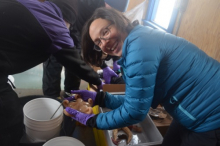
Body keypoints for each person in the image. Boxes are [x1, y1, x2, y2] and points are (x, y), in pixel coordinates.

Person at [64, 7, 220, 146]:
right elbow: (137, 100)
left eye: (105, 32)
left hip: (212, 116)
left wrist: (93, 120)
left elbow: (135, 111)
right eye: (98, 43)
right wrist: (101, 98)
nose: (104, 44)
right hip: (190, 113)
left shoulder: (139, 44)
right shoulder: (136, 42)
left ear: (118, 22)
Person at [0, 0, 106, 145]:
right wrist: (99, 81)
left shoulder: (34, 4)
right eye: (69, 26)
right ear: (67, 19)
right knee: (10, 115)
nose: (68, 29)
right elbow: (77, 64)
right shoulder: (56, 26)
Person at [42, 0, 119, 98]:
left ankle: (70, 94)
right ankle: (51, 98)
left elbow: (91, 44)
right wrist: (96, 80)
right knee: (53, 63)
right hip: (56, 29)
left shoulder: (99, 8)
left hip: (77, 32)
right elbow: (79, 59)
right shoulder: (81, 7)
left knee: (75, 63)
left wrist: (104, 65)